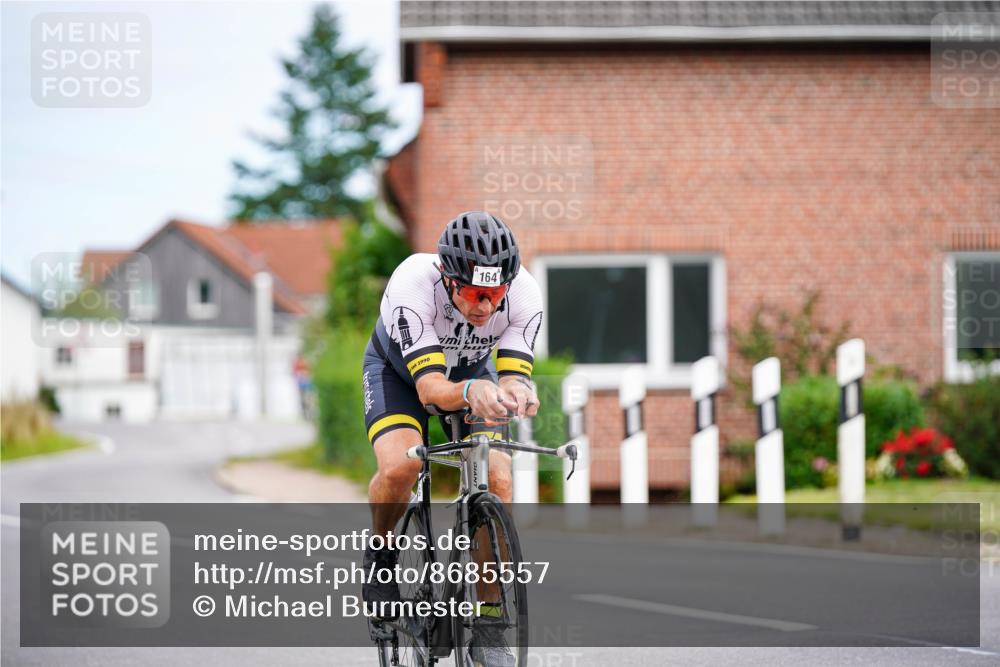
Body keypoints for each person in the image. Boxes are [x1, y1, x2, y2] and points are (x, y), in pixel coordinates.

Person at [361, 211, 542, 667]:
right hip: (400, 375)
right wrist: (470, 391)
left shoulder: (524, 292)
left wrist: (519, 391)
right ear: (447, 278)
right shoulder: (412, 284)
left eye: (494, 295)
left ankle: (488, 622)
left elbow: (515, 373)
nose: (485, 306)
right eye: (474, 294)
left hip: (472, 375)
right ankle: (381, 556)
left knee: (497, 477)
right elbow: (429, 391)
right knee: (403, 465)